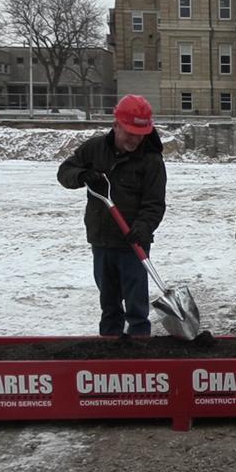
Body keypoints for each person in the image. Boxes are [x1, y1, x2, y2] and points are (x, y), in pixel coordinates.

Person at [57, 94, 166, 336]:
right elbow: (65, 171)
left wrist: (143, 228)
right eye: (130, 133)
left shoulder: (151, 160)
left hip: (133, 244)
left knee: (137, 309)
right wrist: (81, 176)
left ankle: (139, 354)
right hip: (102, 241)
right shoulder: (94, 149)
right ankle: (109, 356)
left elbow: (155, 204)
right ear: (115, 125)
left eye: (141, 134)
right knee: (109, 306)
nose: (136, 139)